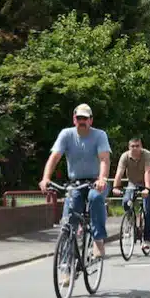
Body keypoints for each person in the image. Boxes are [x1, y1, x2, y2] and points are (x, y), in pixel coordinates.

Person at [39, 103, 111, 284]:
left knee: (95, 198)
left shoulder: (99, 135)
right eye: (79, 118)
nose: (82, 122)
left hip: (95, 181)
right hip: (75, 183)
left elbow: (104, 159)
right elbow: (55, 156)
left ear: (91, 120)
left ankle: (98, 239)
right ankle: (65, 268)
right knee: (69, 222)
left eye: (85, 119)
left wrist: (102, 179)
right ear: (74, 119)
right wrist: (46, 178)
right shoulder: (66, 134)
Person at [111, 137, 150, 252]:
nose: (135, 148)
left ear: (141, 146)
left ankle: (148, 240)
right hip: (133, 183)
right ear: (129, 147)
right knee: (126, 202)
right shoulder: (125, 156)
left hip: (148, 183)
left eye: (137, 146)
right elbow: (119, 172)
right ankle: (131, 224)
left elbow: (148, 171)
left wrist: (147, 189)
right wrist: (115, 187)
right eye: (132, 146)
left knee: (147, 210)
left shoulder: (147, 155)